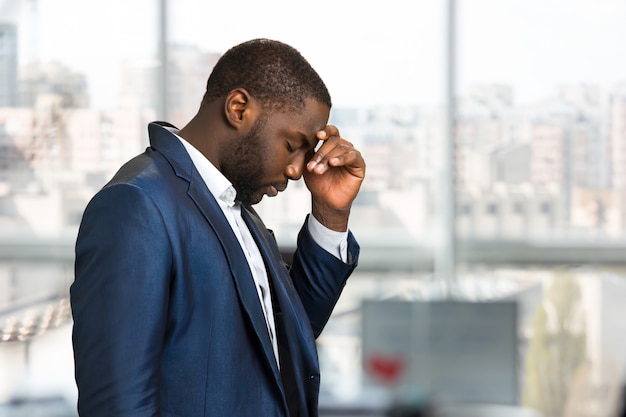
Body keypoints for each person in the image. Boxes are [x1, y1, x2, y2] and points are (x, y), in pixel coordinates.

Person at [70, 38, 365, 417]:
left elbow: (285, 342)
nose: (297, 170)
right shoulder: (137, 206)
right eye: (293, 144)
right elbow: (118, 408)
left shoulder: (235, 206)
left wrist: (330, 213)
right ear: (239, 108)